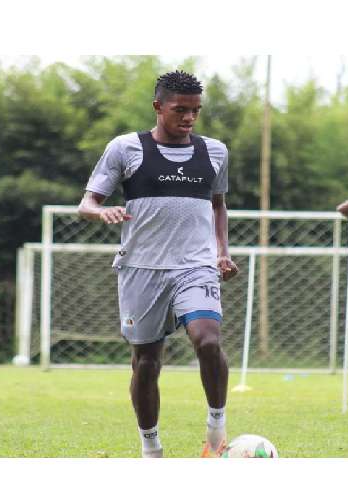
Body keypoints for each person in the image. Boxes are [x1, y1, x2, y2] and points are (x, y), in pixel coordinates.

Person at [78, 70, 239, 458]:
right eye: (180, 109)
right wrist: (102, 213)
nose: (189, 118)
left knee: (208, 339)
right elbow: (87, 203)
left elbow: (218, 206)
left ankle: (216, 424)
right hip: (141, 268)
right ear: (158, 106)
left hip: (195, 265)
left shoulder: (215, 152)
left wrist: (221, 251)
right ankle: (151, 449)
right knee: (147, 362)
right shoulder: (125, 148)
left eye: (195, 110)